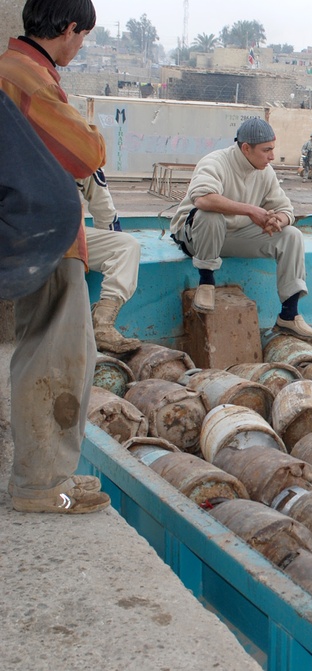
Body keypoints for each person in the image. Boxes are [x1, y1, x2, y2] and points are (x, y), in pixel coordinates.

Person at [1, 0, 110, 513]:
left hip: (29, 234)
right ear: (68, 29)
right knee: (56, 357)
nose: (80, 46)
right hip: (45, 235)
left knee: (51, 349)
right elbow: (86, 153)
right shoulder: (26, 77)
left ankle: (50, 472)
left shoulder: (16, 69)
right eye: (82, 37)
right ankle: (41, 483)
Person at [169, 117, 312, 339]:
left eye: (272, 149)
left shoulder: (265, 171)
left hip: (233, 236)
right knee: (210, 216)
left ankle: (289, 316)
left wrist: (277, 220)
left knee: (291, 236)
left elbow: (286, 210)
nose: (271, 156)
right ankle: (206, 282)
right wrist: (251, 210)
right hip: (197, 237)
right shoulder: (215, 162)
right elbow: (202, 199)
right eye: (266, 150)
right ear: (246, 148)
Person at [80, 168, 142, 354]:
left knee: (126, 246)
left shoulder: (80, 150)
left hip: (64, 233)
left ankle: (102, 324)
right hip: (14, 235)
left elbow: (104, 210)